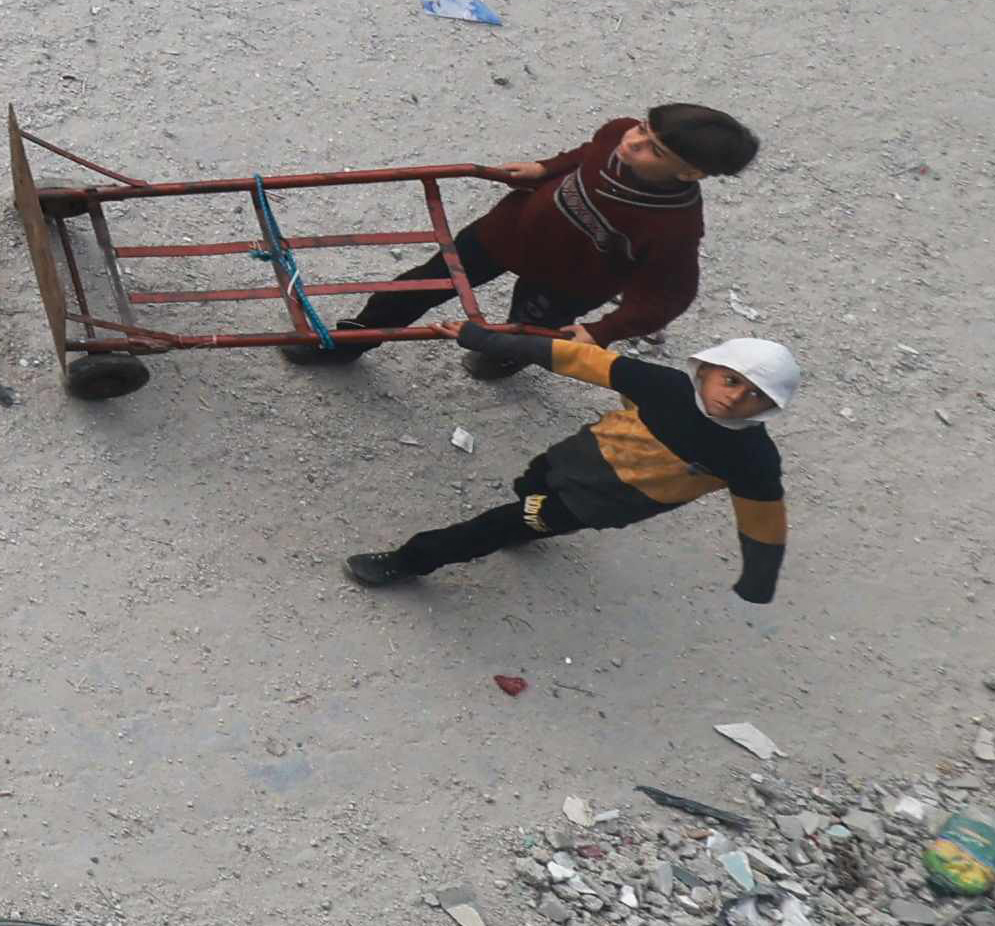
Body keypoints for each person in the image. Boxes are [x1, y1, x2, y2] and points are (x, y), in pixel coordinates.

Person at [291, 102, 754, 371]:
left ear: (690, 172)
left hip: (568, 282)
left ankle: (503, 360)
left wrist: (602, 331)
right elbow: (586, 154)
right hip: (508, 233)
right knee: (421, 284)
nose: (631, 142)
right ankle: (352, 341)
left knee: (523, 330)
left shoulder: (672, 228)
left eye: (654, 148)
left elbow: (667, 297)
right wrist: (545, 169)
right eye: (642, 128)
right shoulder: (616, 133)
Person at [345, 324, 795, 602]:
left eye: (755, 395)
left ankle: (410, 560)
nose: (735, 397)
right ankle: (529, 518)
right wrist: (483, 339)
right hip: (571, 457)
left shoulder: (752, 459)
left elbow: (763, 524)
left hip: (594, 506)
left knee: (501, 524)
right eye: (732, 380)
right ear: (708, 369)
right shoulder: (666, 386)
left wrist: (758, 580)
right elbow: (580, 360)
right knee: (532, 481)